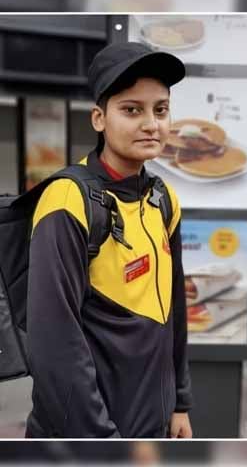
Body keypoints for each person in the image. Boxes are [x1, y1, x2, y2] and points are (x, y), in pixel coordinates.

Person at [26, 42, 193, 438]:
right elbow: (54, 347)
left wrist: (180, 403)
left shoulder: (163, 199)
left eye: (160, 109)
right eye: (131, 110)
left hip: (152, 427)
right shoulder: (68, 199)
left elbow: (175, 310)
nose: (151, 123)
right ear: (99, 118)